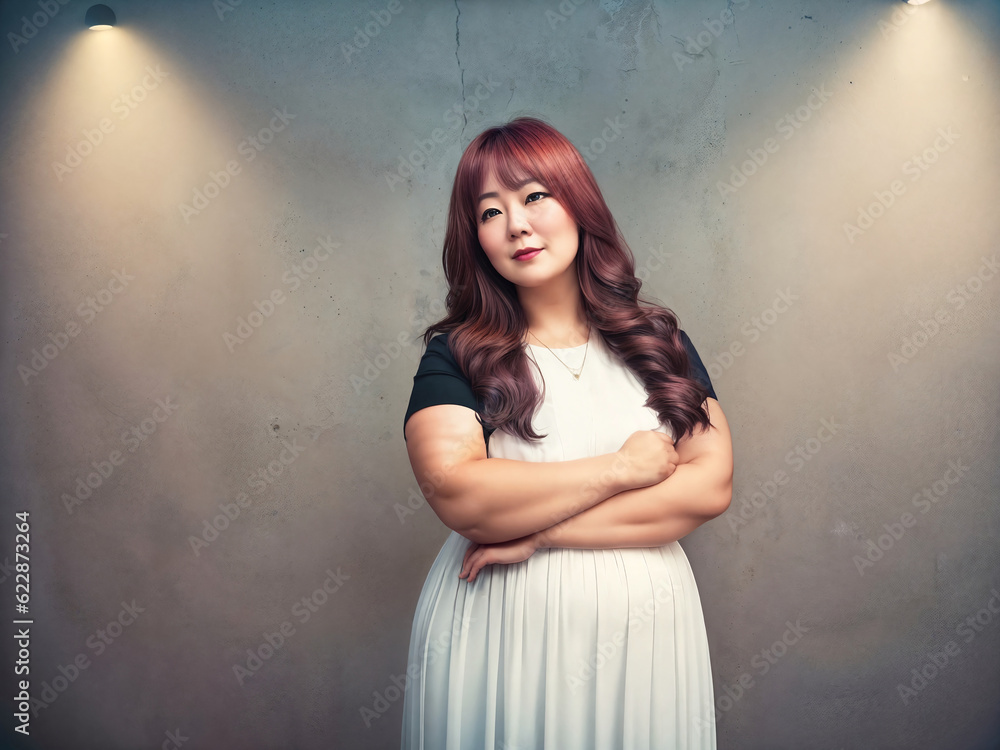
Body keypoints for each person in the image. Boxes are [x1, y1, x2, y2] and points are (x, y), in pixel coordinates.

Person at [400, 115, 734, 749]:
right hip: (501, 633)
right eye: (489, 212)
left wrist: (540, 535)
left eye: (534, 196)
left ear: (579, 205)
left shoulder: (660, 344)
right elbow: (459, 493)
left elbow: (708, 487)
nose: (516, 224)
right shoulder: (455, 354)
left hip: (649, 640)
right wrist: (620, 470)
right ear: (475, 238)